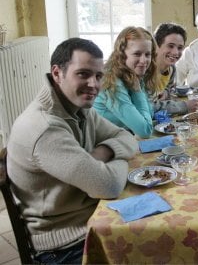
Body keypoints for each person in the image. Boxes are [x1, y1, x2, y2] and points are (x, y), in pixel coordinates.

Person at [6, 38, 137, 264]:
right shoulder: (44, 127)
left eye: (98, 76)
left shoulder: (80, 108)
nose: (93, 84)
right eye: (83, 74)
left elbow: (128, 137)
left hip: (92, 218)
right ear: (57, 73)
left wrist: (104, 151)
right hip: (64, 247)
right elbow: (109, 185)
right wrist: (120, 158)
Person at [94, 26, 155, 138]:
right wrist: (137, 90)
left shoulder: (131, 74)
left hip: (118, 138)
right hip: (100, 145)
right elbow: (145, 130)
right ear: (122, 54)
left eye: (147, 54)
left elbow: (150, 112)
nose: (144, 60)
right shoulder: (112, 82)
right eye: (137, 54)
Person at [152, 22, 198, 115]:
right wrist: (184, 106)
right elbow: (148, 107)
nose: (175, 52)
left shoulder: (171, 69)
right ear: (156, 46)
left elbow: (169, 89)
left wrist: (165, 93)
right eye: (170, 46)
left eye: (180, 48)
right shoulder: (145, 70)